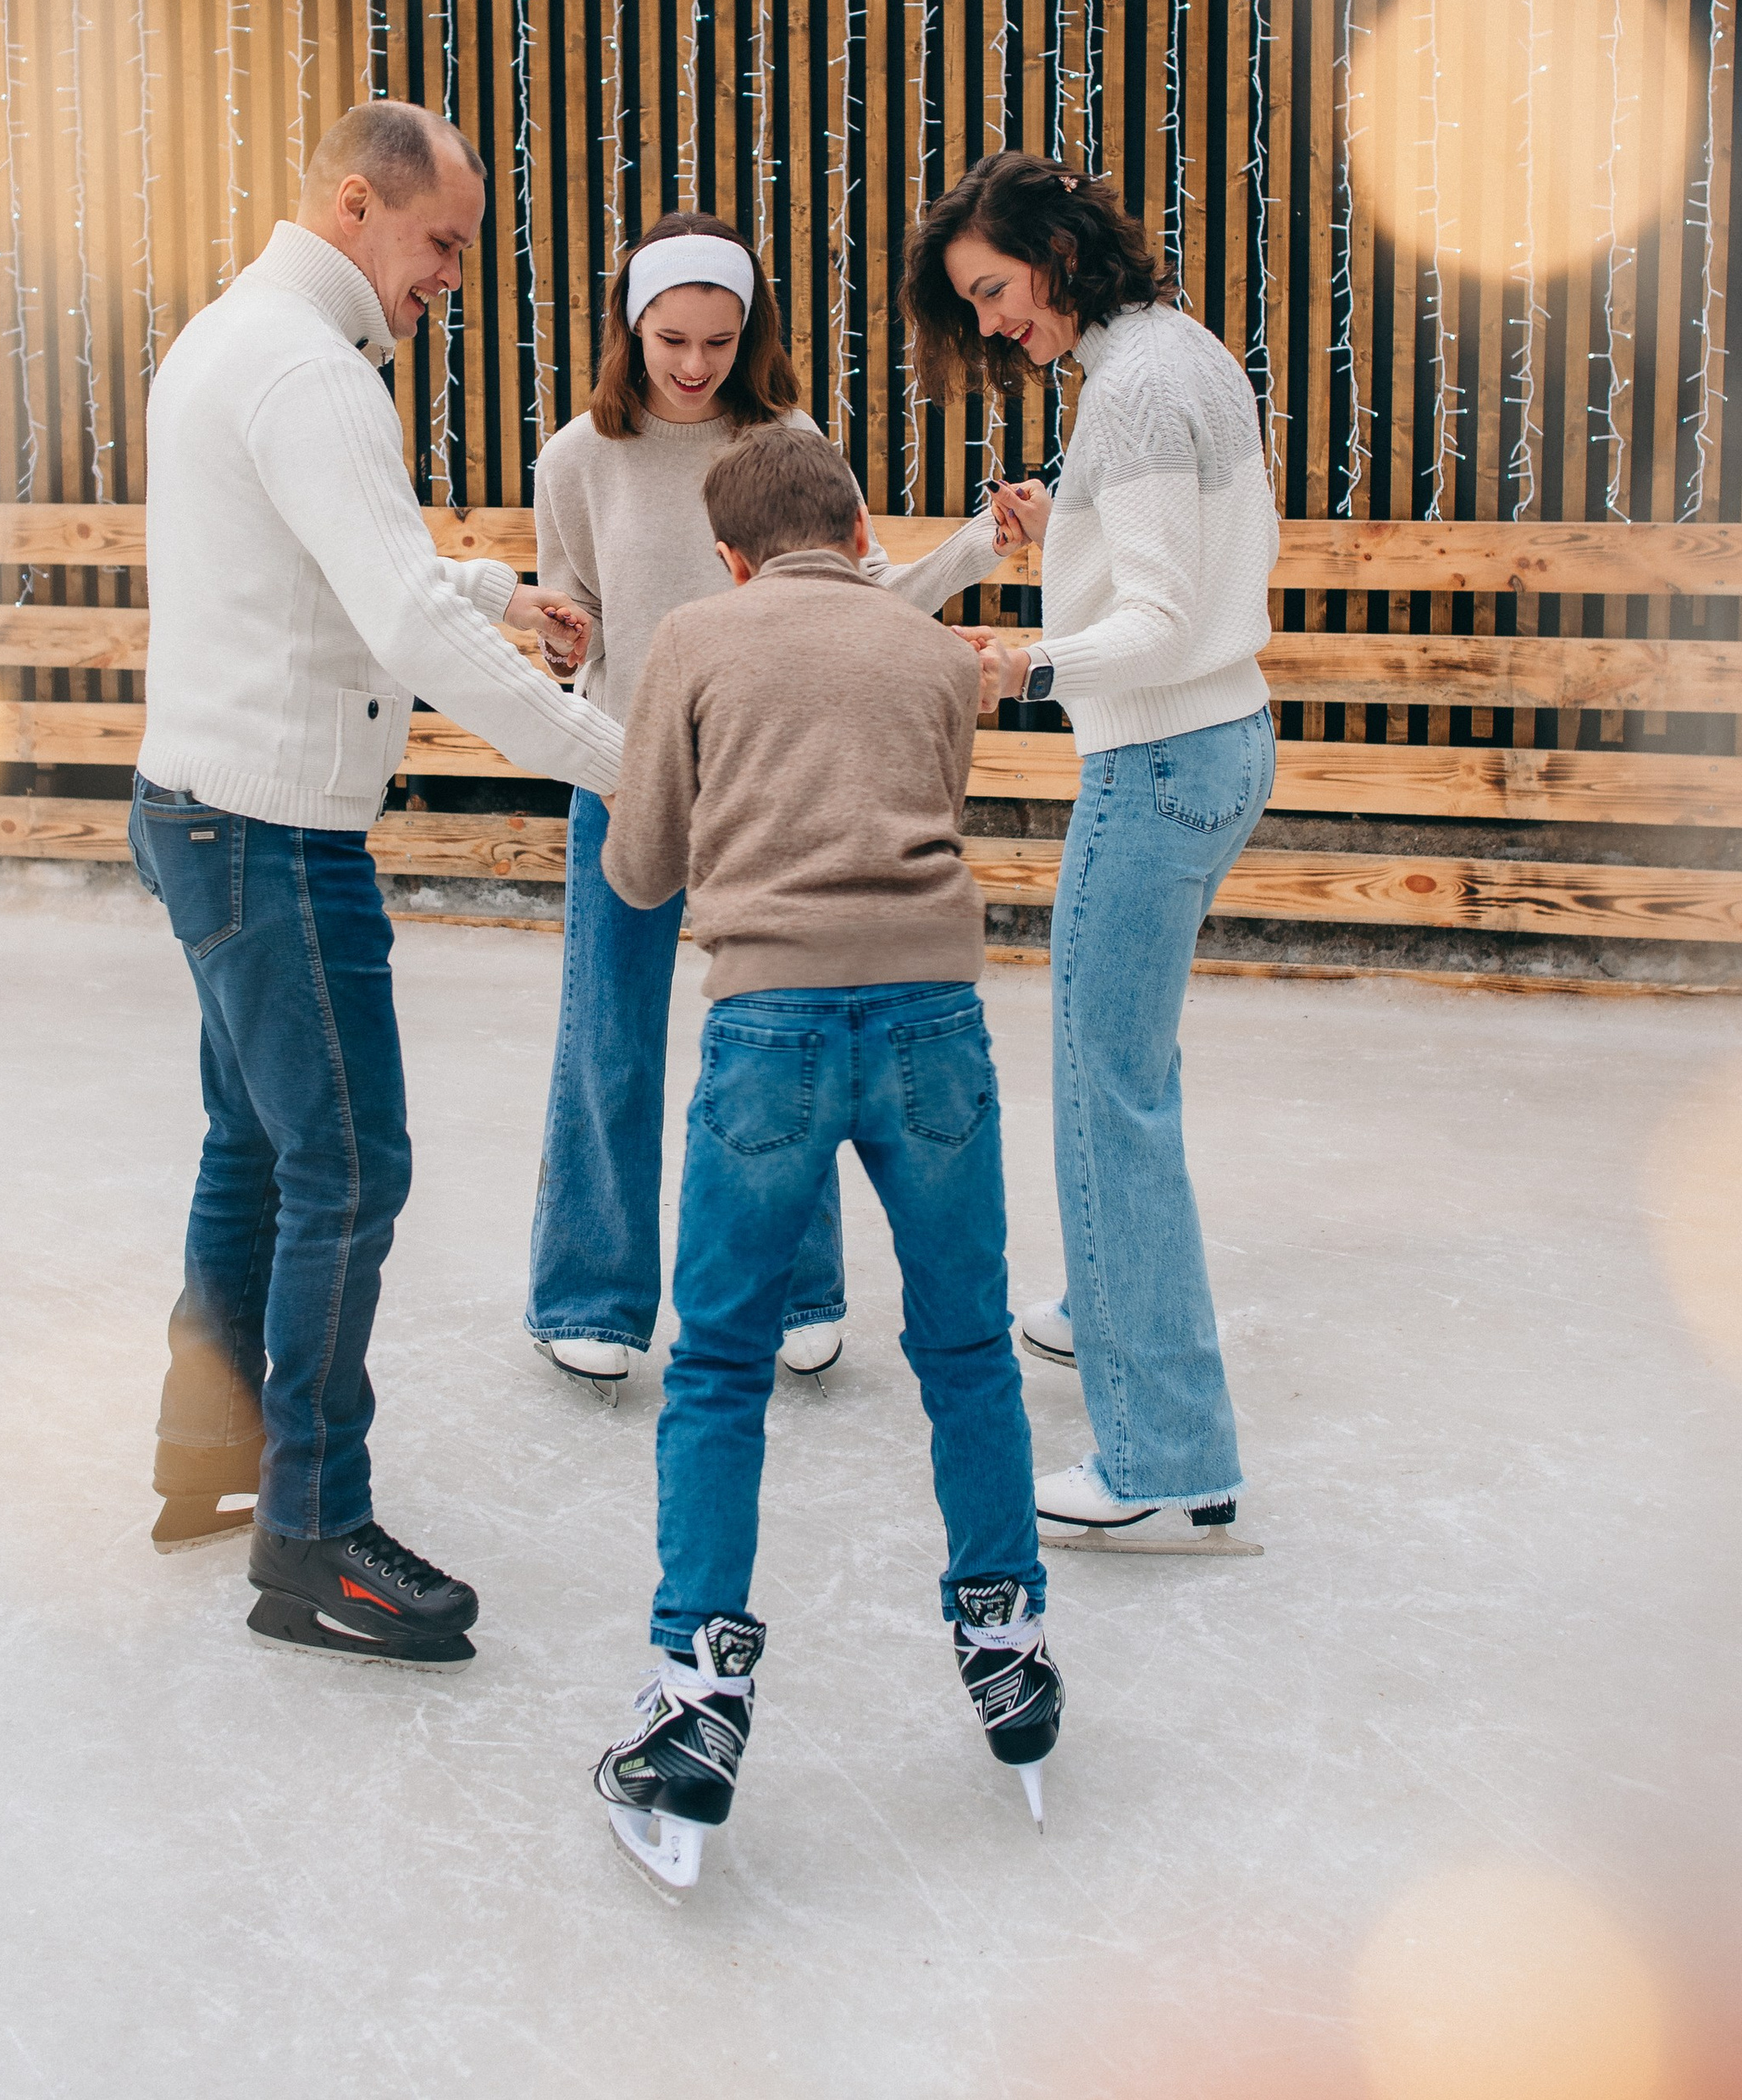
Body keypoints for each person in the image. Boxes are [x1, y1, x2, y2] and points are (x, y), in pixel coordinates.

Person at [131, 99, 623, 1671]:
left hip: (201, 804)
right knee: (351, 1168)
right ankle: (315, 1535)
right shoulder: (311, 369)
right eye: (442, 244)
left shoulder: (236, 335)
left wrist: (496, 589)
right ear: (357, 205)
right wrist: (626, 759)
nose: (453, 277)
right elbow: (402, 627)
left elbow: (341, 568)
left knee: (260, 1148)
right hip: (271, 833)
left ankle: (213, 1465)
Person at [586, 423, 1060, 1891]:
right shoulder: (929, 654)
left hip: (767, 1033)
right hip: (933, 1026)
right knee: (968, 1345)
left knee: (721, 1363)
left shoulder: (697, 638)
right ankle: (1006, 1642)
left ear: (731, 554)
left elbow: (643, 869)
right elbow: (933, 804)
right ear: (860, 531)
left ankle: (699, 1695)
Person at [526, 210, 1008, 1393]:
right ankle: (590, 1292)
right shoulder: (575, 458)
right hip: (626, 767)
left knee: (784, 1035)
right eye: (672, 338)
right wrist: (560, 636)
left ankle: (800, 1287)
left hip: (776, 773)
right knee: (612, 1036)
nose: (695, 364)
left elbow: (868, 595)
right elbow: (572, 606)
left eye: (720, 340)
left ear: (752, 336)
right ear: (631, 329)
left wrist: (979, 546)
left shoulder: (791, 437)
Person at [902, 150, 1277, 1543]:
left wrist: (1023, 662)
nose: (994, 322)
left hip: (1162, 755)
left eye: (996, 290)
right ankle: (1106, 1305)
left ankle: (1165, 1451)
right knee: (1130, 1069)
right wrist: (1065, 538)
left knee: (1106, 1090)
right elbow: (1183, 568)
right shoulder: (1167, 358)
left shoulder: (1139, 387)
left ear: (1059, 253)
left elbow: (1164, 621)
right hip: (1213, 744)